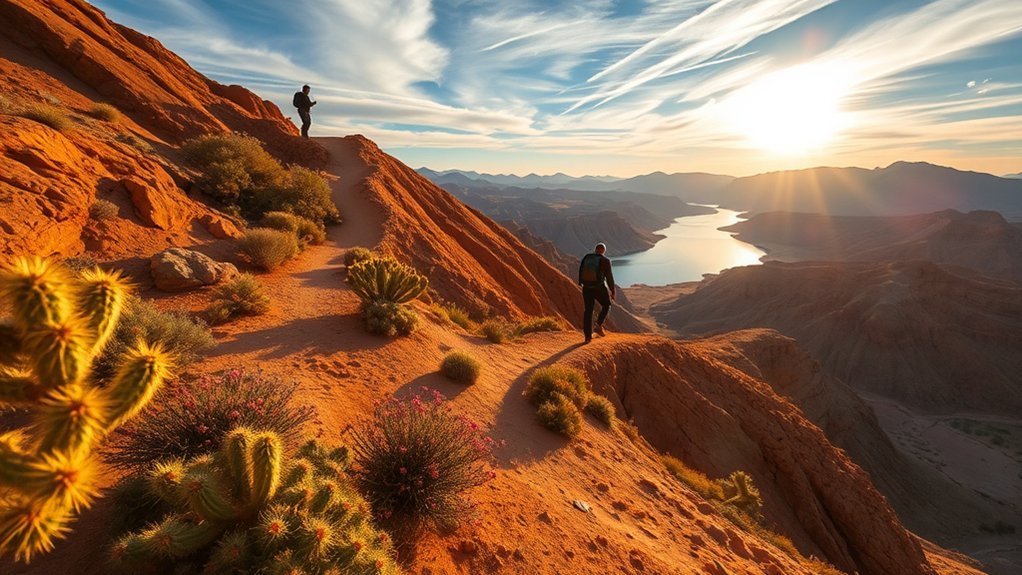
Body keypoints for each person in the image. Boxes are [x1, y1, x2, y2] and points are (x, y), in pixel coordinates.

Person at [578, 242, 615, 343]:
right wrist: (612, 290)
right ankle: (598, 326)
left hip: (586, 287)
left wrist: (581, 283)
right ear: (603, 251)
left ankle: (587, 337)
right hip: (599, 288)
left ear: (595, 250)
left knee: (588, 310)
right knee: (607, 305)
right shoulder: (605, 260)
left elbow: (581, 270)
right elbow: (609, 277)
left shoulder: (587, 257)